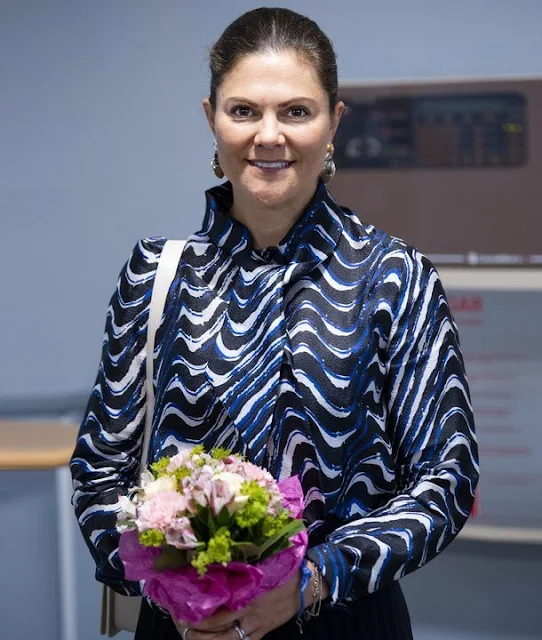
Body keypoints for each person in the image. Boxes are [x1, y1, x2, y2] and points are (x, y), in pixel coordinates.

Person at [70, 7, 479, 640]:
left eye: (296, 111)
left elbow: (446, 478)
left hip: (346, 619)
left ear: (333, 122)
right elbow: (100, 471)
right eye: (243, 111)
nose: (268, 136)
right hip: (182, 627)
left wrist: (317, 578)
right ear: (211, 118)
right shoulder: (155, 274)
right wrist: (170, 583)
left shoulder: (395, 276)